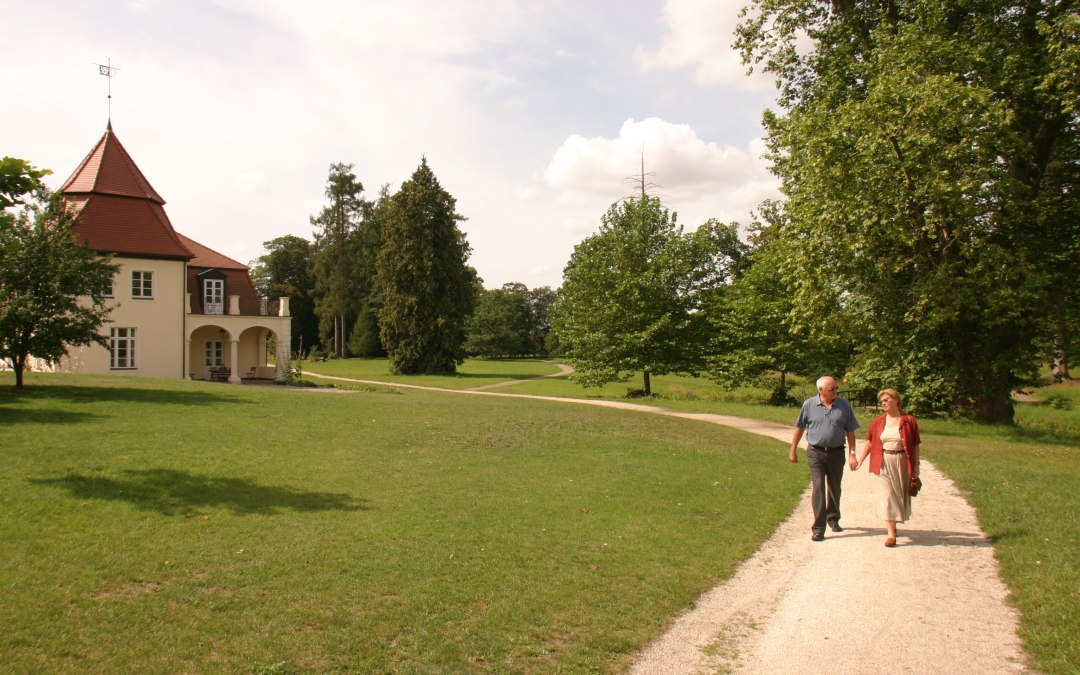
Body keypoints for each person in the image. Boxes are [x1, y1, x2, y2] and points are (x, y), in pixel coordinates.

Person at [790, 376, 860, 541]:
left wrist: (852, 454)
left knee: (834, 487)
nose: (836, 391)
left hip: (836, 452)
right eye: (832, 389)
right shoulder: (809, 404)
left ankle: (833, 518)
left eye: (836, 388)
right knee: (818, 486)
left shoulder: (844, 405)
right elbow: (799, 428)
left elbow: (850, 431)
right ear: (821, 390)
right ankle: (818, 528)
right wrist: (792, 450)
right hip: (816, 452)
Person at [854, 388, 921, 547]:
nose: (883, 403)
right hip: (883, 461)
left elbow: (915, 444)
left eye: (886, 400)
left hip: (902, 461)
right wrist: (860, 460)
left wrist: (916, 466)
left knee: (898, 494)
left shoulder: (909, 421)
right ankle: (891, 535)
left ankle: (894, 525)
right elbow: (870, 442)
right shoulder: (878, 422)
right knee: (887, 496)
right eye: (881, 401)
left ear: (896, 400)